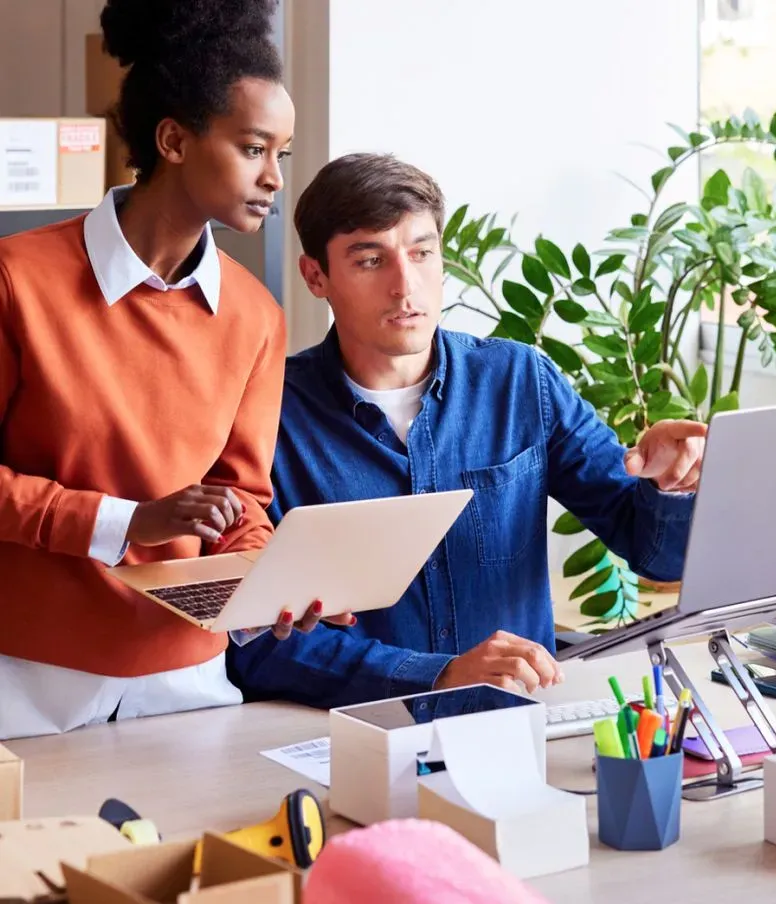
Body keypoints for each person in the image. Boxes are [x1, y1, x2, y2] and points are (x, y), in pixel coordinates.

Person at [227, 153, 706, 710]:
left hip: (514, 727)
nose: (404, 286)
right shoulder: (269, 412)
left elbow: (659, 557)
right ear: (316, 276)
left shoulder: (522, 381)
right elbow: (256, 641)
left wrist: (673, 483)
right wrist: (435, 674)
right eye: (369, 260)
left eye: (422, 253)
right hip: (353, 740)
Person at [0, 0, 344, 741]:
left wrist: (274, 582)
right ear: (173, 140)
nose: (276, 178)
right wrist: (130, 521)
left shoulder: (255, 316)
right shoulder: (17, 280)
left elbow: (239, 499)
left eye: (281, 154)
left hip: (187, 682)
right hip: (28, 680)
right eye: (255, 148)